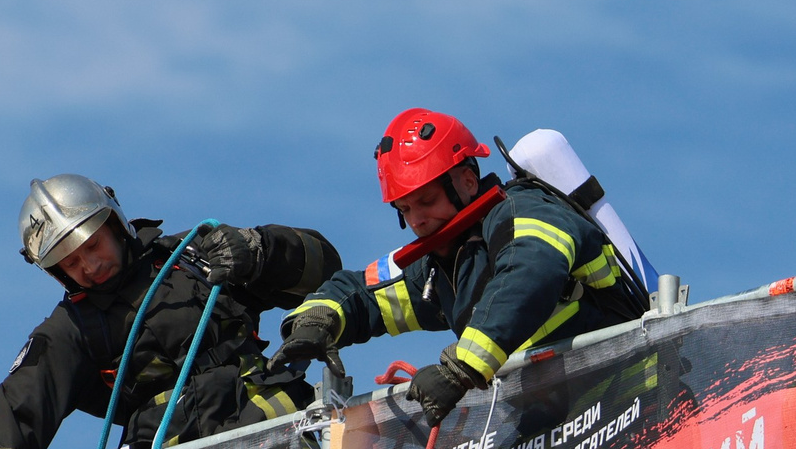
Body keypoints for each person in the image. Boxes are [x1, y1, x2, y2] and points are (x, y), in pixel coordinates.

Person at [0, 174, 341, 449]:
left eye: (93, 245)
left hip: (274, 446)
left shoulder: (195, 257)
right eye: (70, 262)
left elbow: (326, 271)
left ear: (115, 224)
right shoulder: (69, 332)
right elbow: (7, 419)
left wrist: (260, 249)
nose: (89, 266)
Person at [272, 109, 648, 424]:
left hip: (631, 401)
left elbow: (527, 275)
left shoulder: (524, 211)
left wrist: (460, 368)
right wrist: (317, 319)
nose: (417, 220)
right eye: (405, 209)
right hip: (555, 425)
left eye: (427, 200)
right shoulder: (440, 267)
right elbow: (363, 294)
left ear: (467, 181)